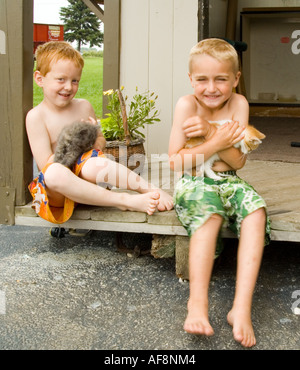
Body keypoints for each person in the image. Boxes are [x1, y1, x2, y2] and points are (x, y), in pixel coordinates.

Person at [168, 38, 270, 348]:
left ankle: (241, 307)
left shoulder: (239, 104)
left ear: (235, 79)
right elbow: (176, 161)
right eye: (202, 79)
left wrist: (210, 132)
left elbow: (238, 161)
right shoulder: (187, 105)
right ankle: (197, 303)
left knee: (256, 211)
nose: (211, 88)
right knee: (209, 216)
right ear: (191, 79)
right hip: (195, 181)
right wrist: (216, 143)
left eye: (221, 79)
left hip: (230, 180)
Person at [26, 41, 173, 225]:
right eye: (61, 79)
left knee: (95, 163)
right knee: (54, 173)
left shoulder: (83, 106)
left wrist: (95, 140)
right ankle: (125, 201)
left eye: (75, 80)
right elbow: (46, 163)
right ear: (40, 79)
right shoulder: (36, 117)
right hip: (60, 192)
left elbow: (101, 143)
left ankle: (149, 189)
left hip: (87, 183)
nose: (68, 87)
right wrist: (73, 143)